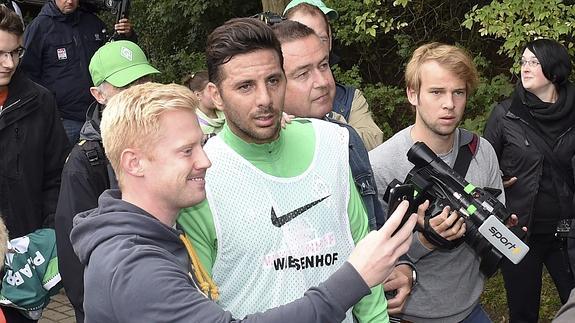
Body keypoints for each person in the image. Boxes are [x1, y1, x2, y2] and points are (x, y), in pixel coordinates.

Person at [70, 81, 417, 322]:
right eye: (186, 151)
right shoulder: (135, 268)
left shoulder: (156, 233)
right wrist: (354, 277)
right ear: (134, 163)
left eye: (201, 144)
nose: (205, 161)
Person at [178, 17, 394, 322]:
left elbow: (362, 256)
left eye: (273, 80)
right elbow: (201, 303)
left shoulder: (332, 143)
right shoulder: (202, 174)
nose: (264, 99)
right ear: (215, 95)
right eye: (245, 87)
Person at [369, 43, 504, 322]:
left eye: (458, 92)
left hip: (471, 311)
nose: (449, 104)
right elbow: (367, 258)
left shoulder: (482, 152)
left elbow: (497, 236)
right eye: (436, 92)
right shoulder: (380, 165)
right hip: (408, 315)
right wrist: (425, 240)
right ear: (412, 94)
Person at [54, 40, 159, 323]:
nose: (139, 93)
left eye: (144, 80)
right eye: (126, 86)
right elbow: (74, 253)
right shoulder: (85, 162)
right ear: (98, 94)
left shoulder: (172, 139)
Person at [484, 39, 575, 323]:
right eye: (523, 62)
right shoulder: (506, 114)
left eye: (534, 62)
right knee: (522, 313)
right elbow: (484, 165)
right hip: (519, 230)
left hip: (568, 230)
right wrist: (496, 183)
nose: (526, 68)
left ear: (555, 68)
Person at [0, 4, 69, 322]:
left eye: (15, 53)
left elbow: (56, 174)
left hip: (25, 258)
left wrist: (48, 232)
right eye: (0, 53)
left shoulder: (40, 101)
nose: (8, 63)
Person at [21, 0, 135, 144]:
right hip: (62, 120)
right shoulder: (40, 27)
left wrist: (127, 35)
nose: (70, 1)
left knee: (103, 164)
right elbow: (27, 74)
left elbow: (116, 59)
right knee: (64, 165)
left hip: (98, 116)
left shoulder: (92, 23)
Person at [283, 0, 384, 151]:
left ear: (330, 41)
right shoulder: (269, 110)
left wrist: (327, 121)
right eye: (300, 36)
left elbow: (374, 145)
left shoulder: (349, 99)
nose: (312, 45)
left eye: (321, 38)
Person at [183, 70, 226, 136]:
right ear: (197, 95)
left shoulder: (227, 113)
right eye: (211, 91)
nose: (218, 95)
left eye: (218, 90)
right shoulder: (192, 124)